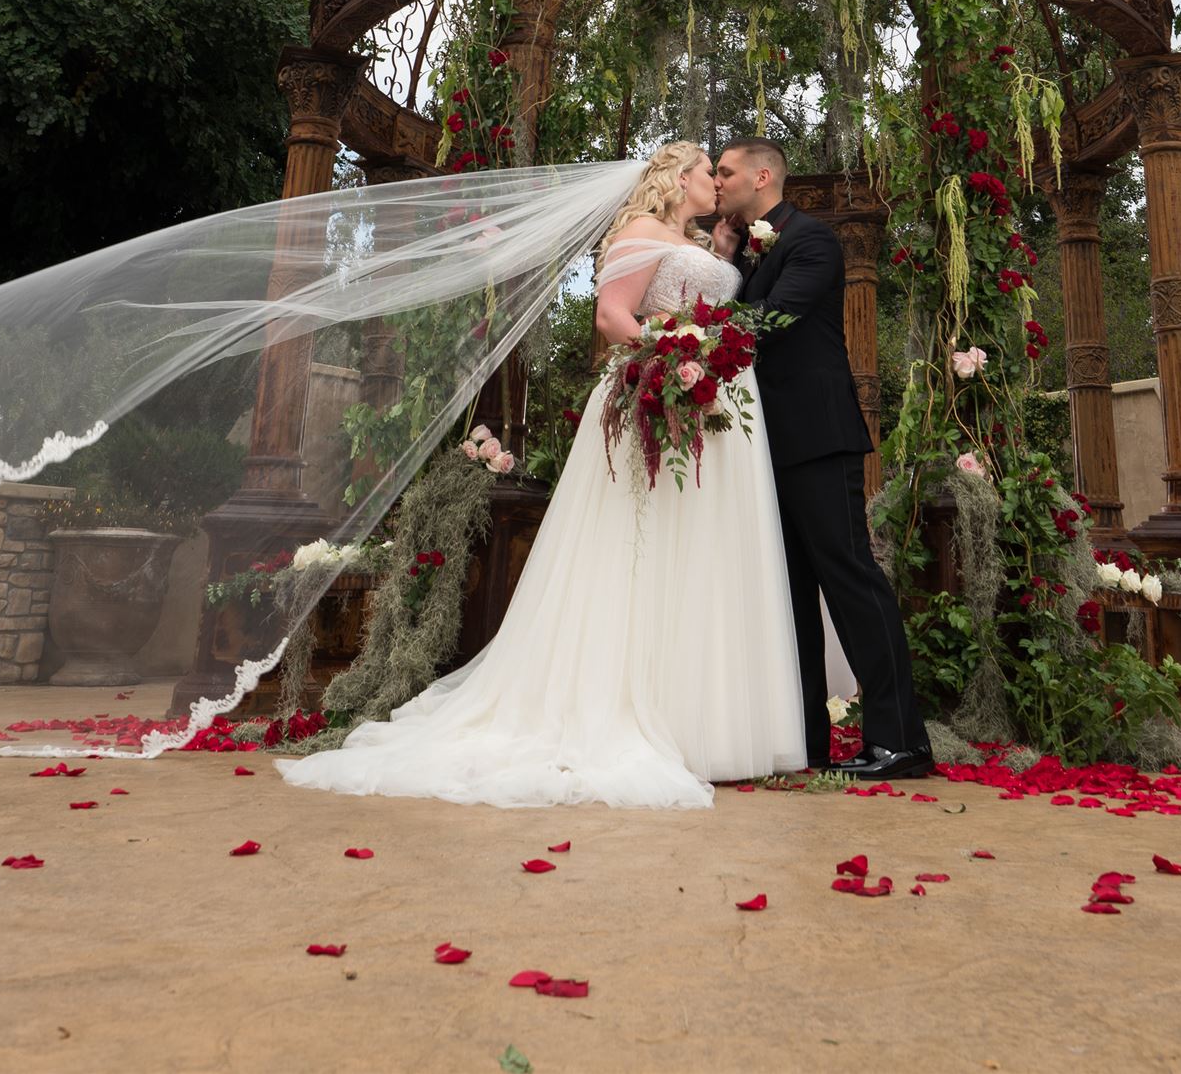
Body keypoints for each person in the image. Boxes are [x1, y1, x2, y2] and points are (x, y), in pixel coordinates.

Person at [278, 143, 806, 808]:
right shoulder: (639, 231)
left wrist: (717, 282)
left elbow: (696, 299)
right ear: (678, 177)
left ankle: (704, 719)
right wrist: (675, 357)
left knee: (698, 555)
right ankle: (634, 711)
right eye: (708, 170)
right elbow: (612, 315)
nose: (716, 181)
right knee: (636, 556)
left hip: (712, 400)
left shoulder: (691, 238)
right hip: (660, 391)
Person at [709, 139, 930, 780]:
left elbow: (773, 321)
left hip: (818, 436)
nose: (718, 181)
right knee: (791, 597)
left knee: (851, 580)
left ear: (763, 174)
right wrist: (726, 263)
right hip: (765, 448)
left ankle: (900, 741)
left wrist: (694, 333)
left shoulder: (812, 240)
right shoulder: (749, 250)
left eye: (725, 171)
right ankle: (806, 742)